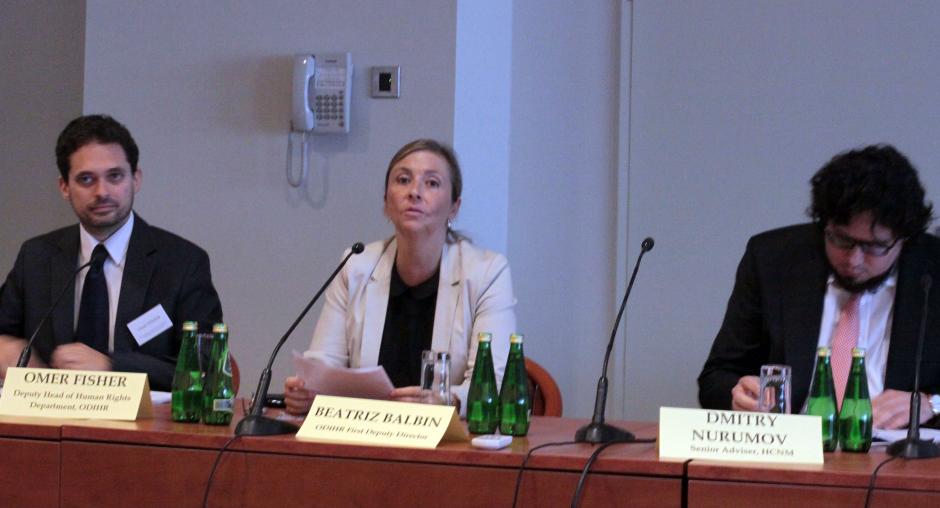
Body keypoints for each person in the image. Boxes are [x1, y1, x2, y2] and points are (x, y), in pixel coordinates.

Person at [699, 144, 940, 430]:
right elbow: (717, 377)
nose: (853, 260)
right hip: (790, 447)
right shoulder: (772, 260)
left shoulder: (933, 270)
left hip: (895, 451)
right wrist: (738, 395)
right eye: (841, 240)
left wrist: (931, 404)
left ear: (905, 239)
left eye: (874, 246)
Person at [284, 139, 517, 415]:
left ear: (454, 206)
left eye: (432, 183)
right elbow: (324, 364)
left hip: (446, 436)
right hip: (366, 431)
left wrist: (449, 401)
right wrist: (308, 390)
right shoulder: (356, 265)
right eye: (403, 180)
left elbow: (494, 383)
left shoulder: (486, 272)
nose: (414, 192)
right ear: (386, 201)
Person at [0, 115, 223, 391]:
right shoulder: (37, 257)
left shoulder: (182, 263)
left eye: (114, 176)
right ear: (64, 187)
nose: (101, 192)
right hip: (47, 413)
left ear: (136, 179)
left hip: (143, 418)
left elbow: (205, 366)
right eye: (86, 179)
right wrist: (5, 350)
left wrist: (111, 367)